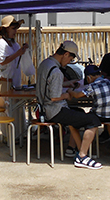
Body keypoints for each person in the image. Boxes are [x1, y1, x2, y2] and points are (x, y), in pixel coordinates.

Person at [36, 41, 102, 169]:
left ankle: (72, 149)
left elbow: (48, 84)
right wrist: (67, 95)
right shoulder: (57, 72)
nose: (69, 62)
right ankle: (82, 157)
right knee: (94, 120)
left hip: (44, 109)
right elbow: (54, 97)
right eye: (71, 58)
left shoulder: (45, 63)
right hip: (55, 110)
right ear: (66, 54)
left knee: (79, 114)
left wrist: (68, 84)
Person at [66, 64, 110, 156]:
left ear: (89, 78)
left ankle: (77, 149)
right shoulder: (109, 82)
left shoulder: (93, 86)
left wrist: (70, 91)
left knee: (75, 120)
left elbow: (77, 95)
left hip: (98, 116)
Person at [0, 15, 29, 109]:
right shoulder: (0, 43)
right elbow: (2, 62)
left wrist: (23, 50)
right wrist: (18, 53)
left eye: (16, 28)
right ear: (6, 30)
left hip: (15, 81)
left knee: (16, 109)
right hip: (5, 82)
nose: (15, 31)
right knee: (5, 110)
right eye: (13, 28)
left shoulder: (14, 44)